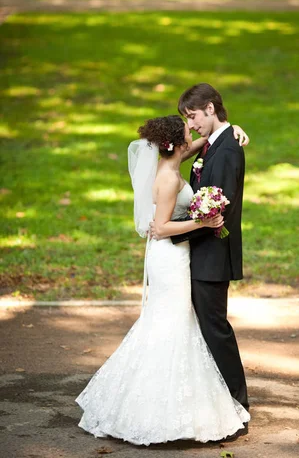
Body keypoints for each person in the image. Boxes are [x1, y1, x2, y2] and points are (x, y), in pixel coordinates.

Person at [75, 115, 250, 445]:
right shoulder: (168, 178)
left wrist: (231, 131)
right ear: (175, 143)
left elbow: (201, 143)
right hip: (169, 257)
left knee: (172, 322)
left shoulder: (171, 160)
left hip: (172, 256)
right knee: (169, 324)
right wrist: (204, 222)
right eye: (187, 132)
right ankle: (156, 410)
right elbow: (163, 227)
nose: (192, 133)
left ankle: (167, 402)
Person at [161, 83, 250, 416]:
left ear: (211, 108)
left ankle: (237, 403)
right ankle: (217, 400)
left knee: (215, 329)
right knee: (206, 329)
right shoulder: (216, 143)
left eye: (194, 116)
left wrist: (172, 233)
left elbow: (216, 212)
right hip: (202, 255)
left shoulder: (227, 150)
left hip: (213, 257)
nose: (192, 124)